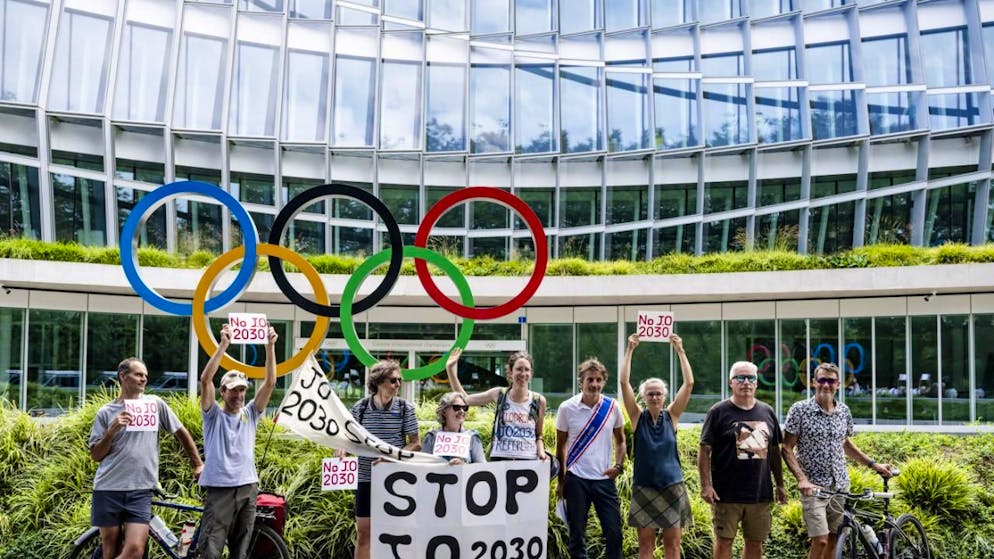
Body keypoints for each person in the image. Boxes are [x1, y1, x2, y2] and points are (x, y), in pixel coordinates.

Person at [87, 357, 203, 559]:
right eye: (138, 374)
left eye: (145, 376)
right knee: (110, 550)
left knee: (135, 549)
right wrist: (111, 431)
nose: (144, 379)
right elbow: (96, 455)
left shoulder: (154, 404)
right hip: (108, 488)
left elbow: (181, 432)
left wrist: (198, 464)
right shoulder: (106, 412)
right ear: (123, 377)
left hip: (140, 489)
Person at [782, 363, 893, 559]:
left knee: (834, 538)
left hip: (840, 485)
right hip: (814, 487)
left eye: (831, 381)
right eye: (822, 380)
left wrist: (874, 465)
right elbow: (786, 447)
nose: (826, 385)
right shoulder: (800, 410)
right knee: (821, 539)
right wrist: (801, 479)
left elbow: (845, 443)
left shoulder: (843, 411)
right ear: (814, 382)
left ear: (838, 384)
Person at [196, 323, 278, 559]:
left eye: (242, 390)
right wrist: (223, 345)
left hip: (247, 487)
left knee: (241, 550)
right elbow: (205, 379)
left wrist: (270, 347)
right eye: (233, 390)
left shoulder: (250, 413)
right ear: (222, 391)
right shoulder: (213, 415)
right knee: (210, 549)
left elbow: (270, 383)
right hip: (220, 489)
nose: (239, 395)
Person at [698, 361, 787, 559]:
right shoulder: (718, 411)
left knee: (755, 544)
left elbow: (775, 451)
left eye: (750, 378)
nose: (746, 382)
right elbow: (704, 449)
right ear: (731, 382)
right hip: (726, 495)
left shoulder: (767, 411)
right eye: (740, 377)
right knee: (724, 542)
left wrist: (780, 484)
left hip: (759, 494)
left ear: (756, 382)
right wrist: (706, 485)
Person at [619, 333, 695, 559]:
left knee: (673, 545)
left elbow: (689, 384)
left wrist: (680, 350)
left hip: (672, 486)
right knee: (645, 546)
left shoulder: (672, 416)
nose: (654, 397)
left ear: (664, 396)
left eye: (658, 393)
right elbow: (623, 383)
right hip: (644, 487)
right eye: (650, 394)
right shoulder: (637, 417)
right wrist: (630, 349)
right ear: (643, 396)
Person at [337, 360, 420, 559]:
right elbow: (348, 438)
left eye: (399, 380)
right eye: (393, 380)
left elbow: (416, 443)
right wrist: (342, 448)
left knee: (398, 533)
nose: (398, 384)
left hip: (396, 479)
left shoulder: (405, 408)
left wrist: (392, 458)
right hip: (366, 478)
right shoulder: (361, 408)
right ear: (379, 382)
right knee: (364, 534)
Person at [555, 357, 626, 559]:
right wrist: (561, 481)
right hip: (576, 479)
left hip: (604, 478)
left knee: (614, 533)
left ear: (603, 382)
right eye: (590, 380)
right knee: (577, 535)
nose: (594, 384)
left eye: (598, 380)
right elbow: (561, 446)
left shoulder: (612, 407)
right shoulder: (567, 408)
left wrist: (618, 466)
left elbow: (621, 441)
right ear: (581, 381)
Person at [445, 348, 549, 463]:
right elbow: (465, 400)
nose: (523, 374)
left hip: (528, 461)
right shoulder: (499, 394)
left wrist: (541, 452)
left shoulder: (539, 401)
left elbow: (538, 436)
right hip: (499, 460)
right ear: (510, 372)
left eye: (527, 370)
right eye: (519, 369)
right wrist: (450, 369)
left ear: (531, 373)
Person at [421, 392, 486, 464]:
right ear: (444, 411)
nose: (461, 411)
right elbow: (423, 465)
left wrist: (464, 465)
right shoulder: (431, 437)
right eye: (456, 407)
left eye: (464, 408)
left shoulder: (472, 437)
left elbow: (482, 466)